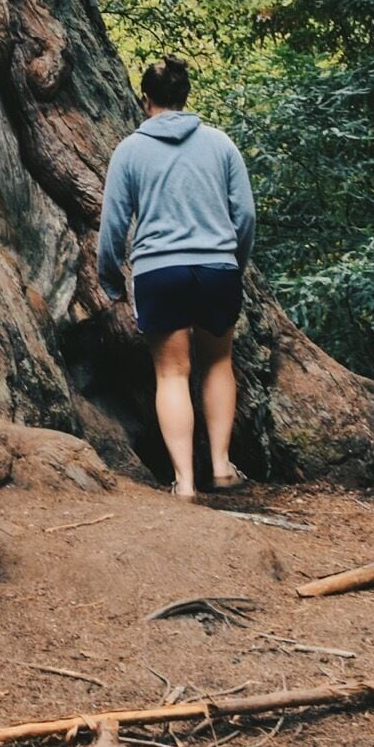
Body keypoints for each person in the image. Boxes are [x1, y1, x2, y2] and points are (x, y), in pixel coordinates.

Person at [96, 55, 256, 497]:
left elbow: (112, 224)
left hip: (159, 271)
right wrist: (233, 263)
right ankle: (222, 467)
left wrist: (110, 280)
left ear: (145, 99)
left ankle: (184, 482)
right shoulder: (221, 144)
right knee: (218, 363)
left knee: (171, 374)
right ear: (186, 97)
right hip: (216, 269)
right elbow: (244, 214)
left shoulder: (130, 151)